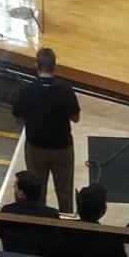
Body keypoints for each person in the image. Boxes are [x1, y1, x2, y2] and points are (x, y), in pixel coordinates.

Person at [13, 46, 80, 211]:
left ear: (36, 65)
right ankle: (65, 229)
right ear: (55, 67)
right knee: (65, 194)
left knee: (36, 194)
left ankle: (39, 228)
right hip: (62, 149)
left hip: (36, 148)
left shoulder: (27, 90)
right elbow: (76, 118)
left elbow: (17, 119)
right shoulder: (66, 90)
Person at [62, 185, 129, 257]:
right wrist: (128, 249)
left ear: (78, 209)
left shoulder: (64, 234)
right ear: (103, 210)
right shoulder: (112, 240)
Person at [0, 170, 59, 257]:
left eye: (15, 188)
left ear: (21, 194)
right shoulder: (52, 214)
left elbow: (2, 234)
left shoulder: (8, 210)